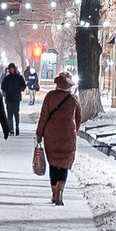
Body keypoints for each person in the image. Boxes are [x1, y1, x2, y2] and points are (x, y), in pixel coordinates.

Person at [35, 70, 82, 206]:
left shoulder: (50, 96)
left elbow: (43, 117)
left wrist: (39, 134)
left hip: (51, 136)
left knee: (54, 164)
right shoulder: (74, 99)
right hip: (68, 136)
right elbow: (79, 118)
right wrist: (73, 131)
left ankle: (54, 192)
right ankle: (61, 191)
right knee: (64, 164)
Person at [0, 62, 25, 134]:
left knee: (16, 113)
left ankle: (17, 127)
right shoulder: (7, 78)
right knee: (9, 114)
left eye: (12, 69)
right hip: (9, 98)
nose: (11, 70)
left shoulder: (19, 77)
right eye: (10, 69)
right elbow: (3, 87)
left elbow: (23, 86)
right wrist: (6, 91)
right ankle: (10, 129)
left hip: (16, 98)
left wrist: (19, 89)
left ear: (14, 69)